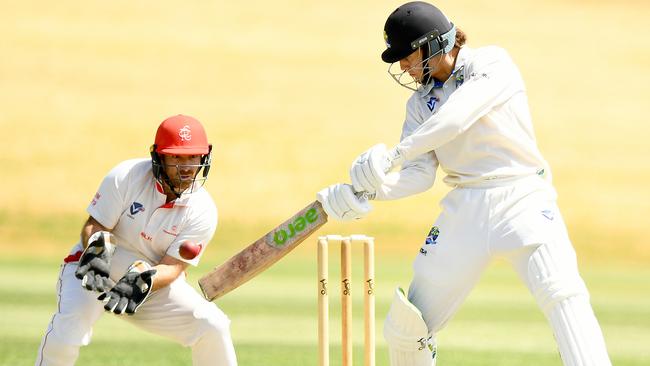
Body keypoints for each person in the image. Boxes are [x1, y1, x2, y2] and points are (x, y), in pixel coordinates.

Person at [316, 2, 611, 365]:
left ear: (436, 42)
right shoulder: (419, 103)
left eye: (408, 55)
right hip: (465, 207)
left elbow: (456, 119)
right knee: (408, 328)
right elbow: (419, 176)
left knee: (563, 296)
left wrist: (393, 155)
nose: (404, 66)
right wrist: (366, 191)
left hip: (522, 197)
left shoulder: (492, 64)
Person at [35, 115, 238, 366]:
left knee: (213, 325)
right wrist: (96, 251)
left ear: (204, 158)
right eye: (176, 156)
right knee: (70, 329)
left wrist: (144, 281)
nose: (186, 166)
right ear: (159, 156)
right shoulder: (126, 176)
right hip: (92, 271)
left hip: (145, 286)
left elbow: (173, 267)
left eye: (193, 157)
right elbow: (94, 225)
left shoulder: (203, 209)